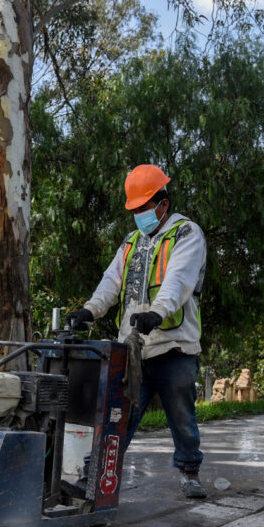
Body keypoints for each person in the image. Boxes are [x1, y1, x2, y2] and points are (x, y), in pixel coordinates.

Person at [67, 164, 208, 498]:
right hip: (134, 349)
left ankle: (189, 472)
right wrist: (91, 309)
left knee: (182, 418)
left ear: (163, 203)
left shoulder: (186, 234)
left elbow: (179, 280)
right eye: (136, 210)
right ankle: (96, 474)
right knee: (118, 416)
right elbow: (111, 281)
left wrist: (157, 312)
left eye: (145, 208)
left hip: (175, 346)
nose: (140, 215)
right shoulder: (132, 242)